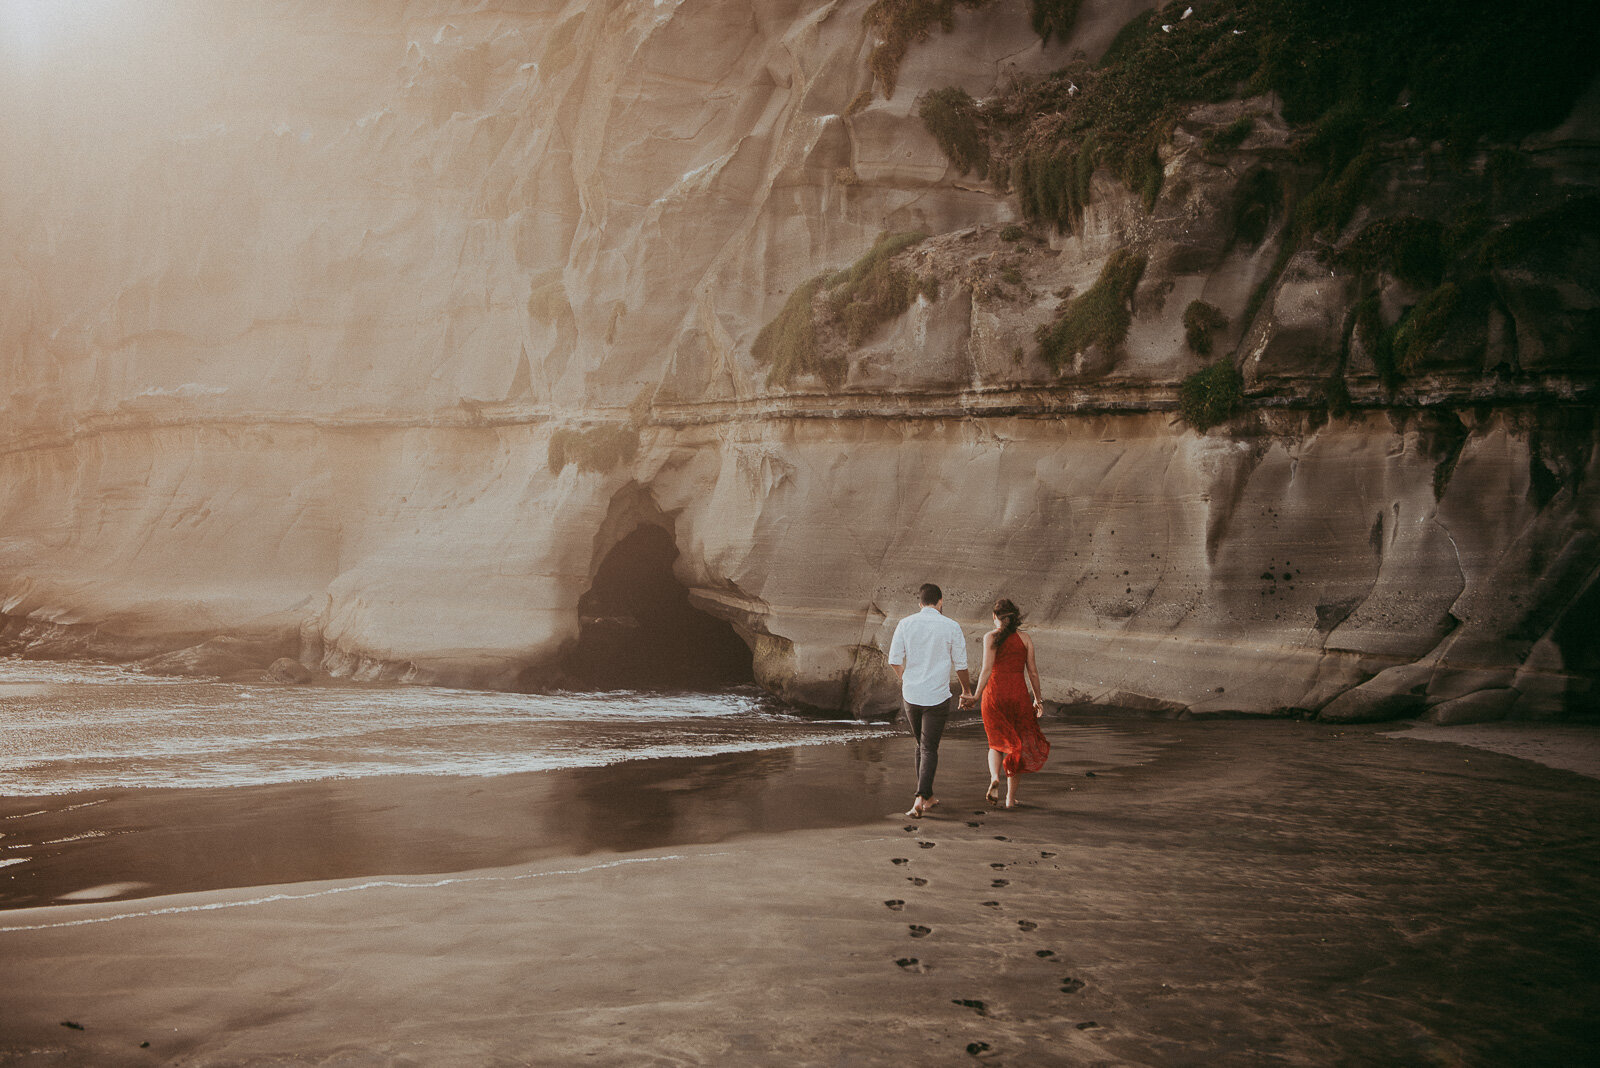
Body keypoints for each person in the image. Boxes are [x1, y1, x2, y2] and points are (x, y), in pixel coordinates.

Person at [887, 582, 973, 819]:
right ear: (940, 602)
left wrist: (906, 678)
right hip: (936, 697)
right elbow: (961, 665)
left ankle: (929, 796)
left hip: (912, 695)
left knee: (921, 745)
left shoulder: (905, 624)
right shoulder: (951, 626)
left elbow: (894, 660)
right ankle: (919, 798)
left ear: (920, 602)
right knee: (928, 747)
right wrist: (966, 690)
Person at [968, 598, 1049, 809]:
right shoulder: (1025, 638)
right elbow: (1032, 671)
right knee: (1017, 746)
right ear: (1015, 617)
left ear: (994, 617)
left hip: (994, 695)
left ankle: (995, 777)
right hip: (1018, 696)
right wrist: (1038, 699)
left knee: (995, 743)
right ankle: (1010, 799)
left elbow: (986, 669)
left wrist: (976, 696)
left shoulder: (990, 637)